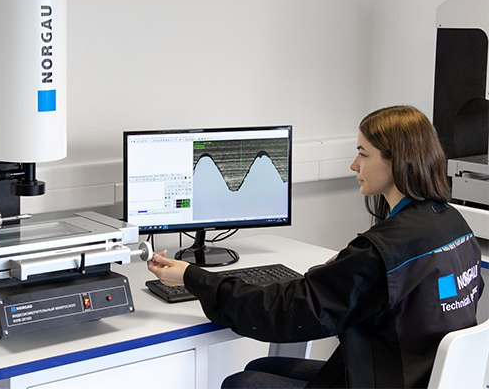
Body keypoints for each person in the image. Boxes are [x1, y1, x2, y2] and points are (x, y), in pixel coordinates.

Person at [147, 105, 485, 388]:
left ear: (397, 161)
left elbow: (283, 313)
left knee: (242, 383)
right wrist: (346, 275)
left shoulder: (380, 252)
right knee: (263, 366)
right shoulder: (453, 224)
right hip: (412, 373)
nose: (354, 165)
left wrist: (193, 277)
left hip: (388, 378)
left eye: (363, 153)